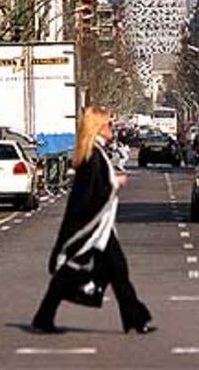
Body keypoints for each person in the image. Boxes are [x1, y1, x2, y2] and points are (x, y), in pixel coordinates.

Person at [32, 106, 154, 334]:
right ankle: (44, 316)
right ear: (98, 127)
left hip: (101, 225)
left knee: (118, 270)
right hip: (91, 225)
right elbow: (87, 195)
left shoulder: (97, 153)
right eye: (108, 124)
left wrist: (112, 182)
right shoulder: (93, 156)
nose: (112, 129)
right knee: (72, 271)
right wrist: (115, 183)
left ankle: (135, 318)